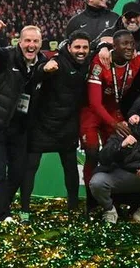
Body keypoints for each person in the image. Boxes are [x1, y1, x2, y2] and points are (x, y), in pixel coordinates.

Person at [81, 30, 140, 196]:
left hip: (113, 109)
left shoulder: (137, 58)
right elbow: (95, 103)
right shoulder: (101, 61)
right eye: (125, 44)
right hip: (92, 111)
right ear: (114, 46)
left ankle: (113, 196)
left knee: (116, 151)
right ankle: (90, 200)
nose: (129, 47)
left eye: (132, 44)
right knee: (92, 152)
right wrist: (114, 124)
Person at [0, 20, 48, 223]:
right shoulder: (7, 56)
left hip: (19, 126)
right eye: (27, 41)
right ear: (19, 42)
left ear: (41, 43)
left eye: (35, 41)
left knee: (18, 172)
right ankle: (4, 214)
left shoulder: (43, 63)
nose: (31, 45)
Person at [21, 31, 91, 217]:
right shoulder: (56, 62)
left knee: (70, 167)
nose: (81, 51)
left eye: (85, 47)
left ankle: (73, 208)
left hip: (67, 125)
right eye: (77, 47)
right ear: (69, 47)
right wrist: (43, 69)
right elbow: (34, 77)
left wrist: (105, 48)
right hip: (43, 124)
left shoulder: (87, 63)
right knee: (30, 167)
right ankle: (24, 209)